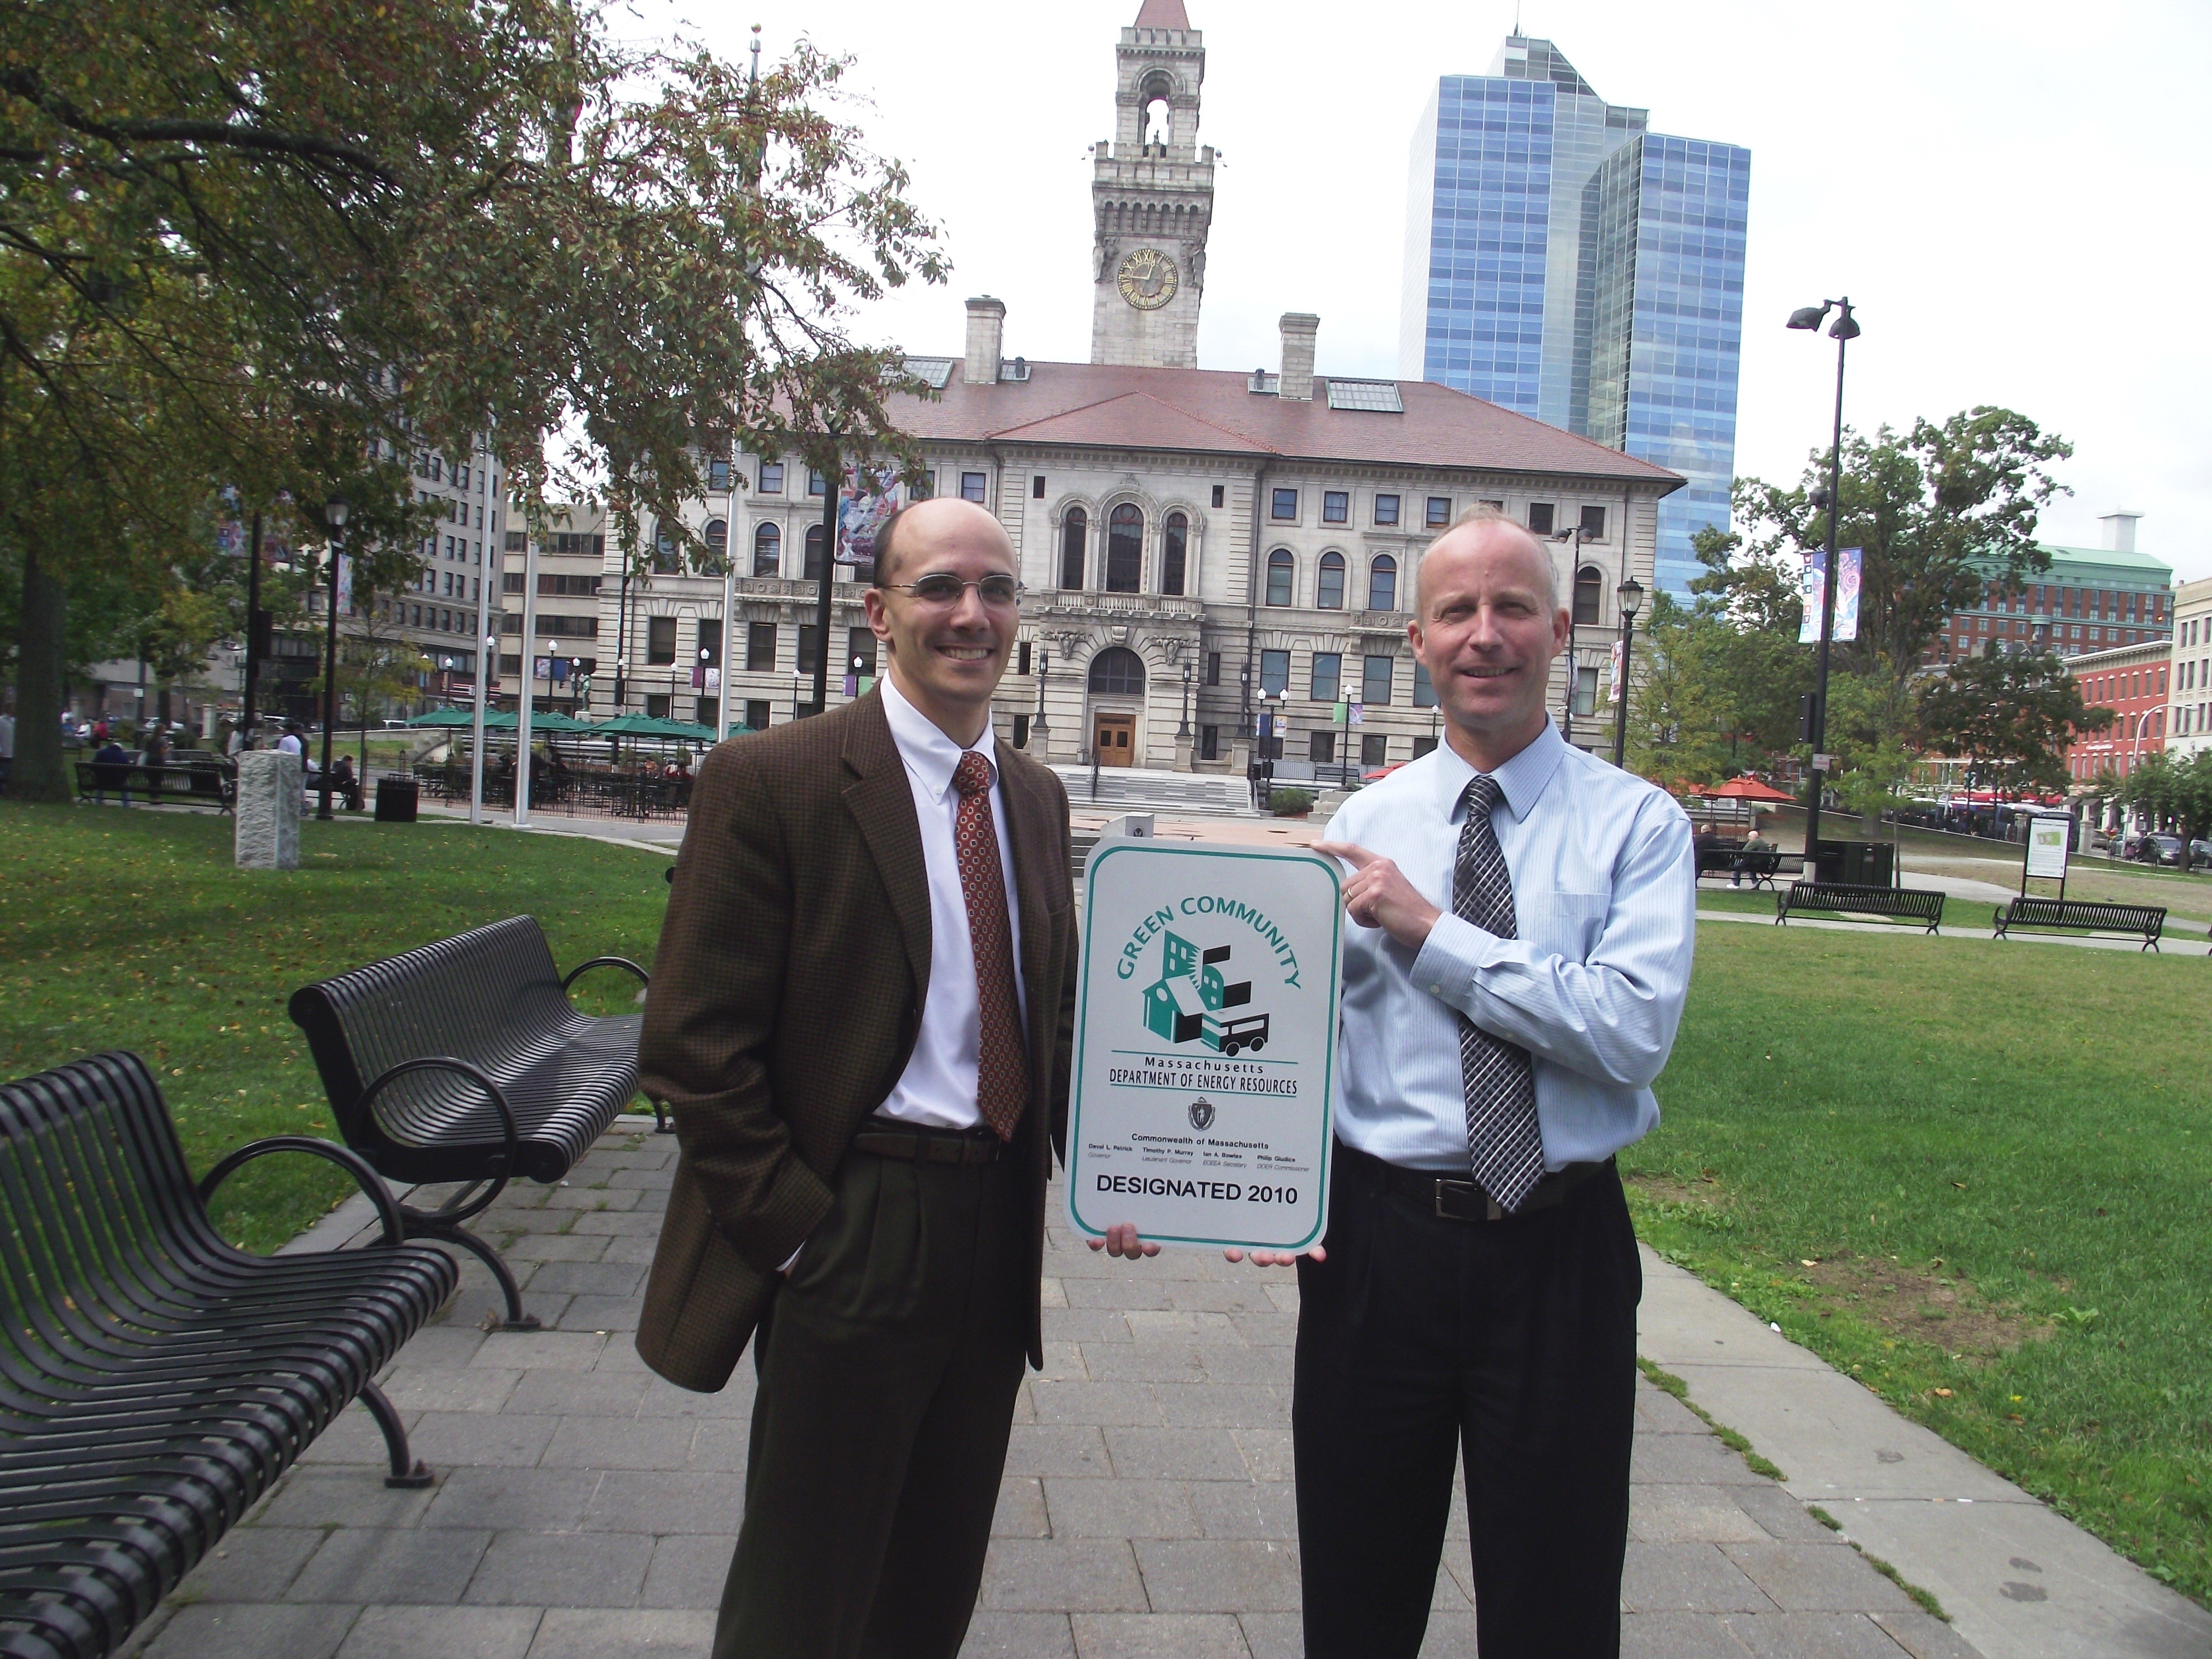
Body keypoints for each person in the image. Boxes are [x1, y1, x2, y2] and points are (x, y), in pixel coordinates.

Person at [637, 496, 1131, 1659]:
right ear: (879, 612)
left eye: (996, 590)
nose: (972, 614)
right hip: (855, 1218)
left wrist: (1122, 1170)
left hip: (996, 1224)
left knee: (931, 1581)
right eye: (941, 589)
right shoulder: (775, 779)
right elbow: (692, 1041)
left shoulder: (1032, 796)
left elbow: (1049, 1007)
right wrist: (797, 1232)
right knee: (804, 1589)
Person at [1277, 508, 1695, 1658]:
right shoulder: (1358, 826)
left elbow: (1626, 1030)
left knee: (1553, 1605)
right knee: (1355, 1598)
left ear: (1561, 629)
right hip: (1376, 1250)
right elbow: (1307, 1038)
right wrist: (1260, 1180)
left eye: (1511, 607)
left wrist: (1430, 931)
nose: (1484, 634)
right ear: (1415, 639)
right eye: (1455, 611)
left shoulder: (1638, 829)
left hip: (1556, 1252)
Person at [1732, 817, 1773, 887]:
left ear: (1753, 837)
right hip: (1764, 864)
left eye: (1749, 837)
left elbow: (1744, 851)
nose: (1749, 838)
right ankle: (1755, 882)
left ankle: (1735, 884)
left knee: (1737, 867)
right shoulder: (1761, 841)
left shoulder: (1754, 842)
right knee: (1749, 867)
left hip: (1757, 864)